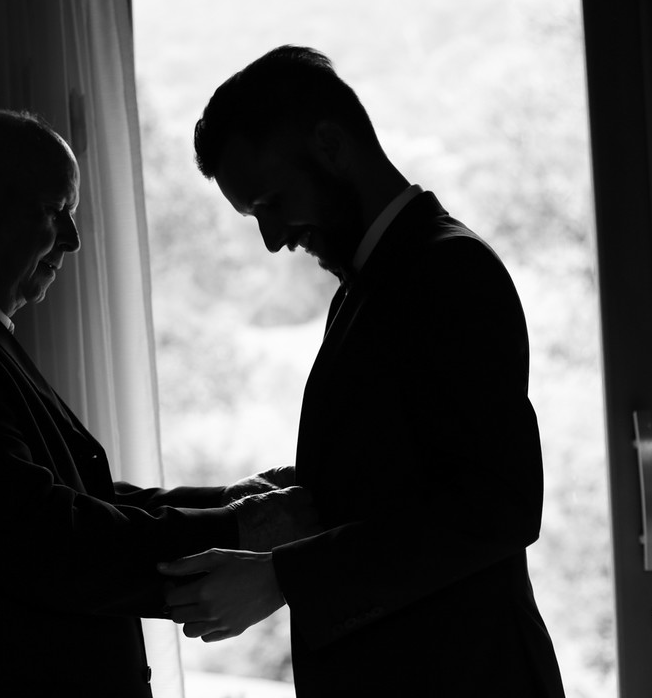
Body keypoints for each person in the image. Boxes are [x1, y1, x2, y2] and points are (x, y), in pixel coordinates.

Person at [0, 109, 311, 697]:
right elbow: (44, 541)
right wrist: (244, 527)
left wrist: (232, 499)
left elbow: (60, 498)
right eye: (59, 211)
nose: (72, 241)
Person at [158, 47, 566, 697]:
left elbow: (498, 504)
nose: (271, 239)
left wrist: (281, 577)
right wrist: (292, 492)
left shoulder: (449, 271)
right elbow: (409, 471)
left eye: (271, 200)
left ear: (330, 144)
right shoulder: (367, 282)